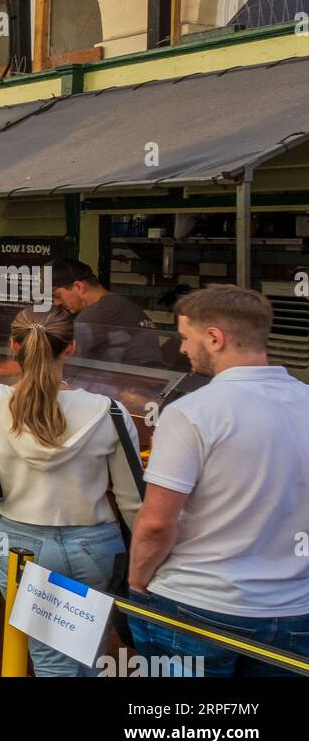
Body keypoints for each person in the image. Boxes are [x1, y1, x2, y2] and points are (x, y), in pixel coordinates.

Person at [127, 285, 309, 675]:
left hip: (194, 604)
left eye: (185, 337)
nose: (182, 350)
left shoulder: (191, 412)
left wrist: (137, 583)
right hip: (294, 610)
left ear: (215, 338)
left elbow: (157, 523)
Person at [0, 306, 142, 677]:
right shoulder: (111, 413)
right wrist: (150, 558)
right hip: (96, 547)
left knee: (50, 663)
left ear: (13, 346)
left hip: (22, 546)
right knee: (88, 658)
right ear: (71, 348)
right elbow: (131, 500)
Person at [47, 258, 164, 366]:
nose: (56, 303)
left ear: (79, 286)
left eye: (57, 296)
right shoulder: (120, 304)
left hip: (130, 384)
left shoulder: (95, 314)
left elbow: (67, 363)